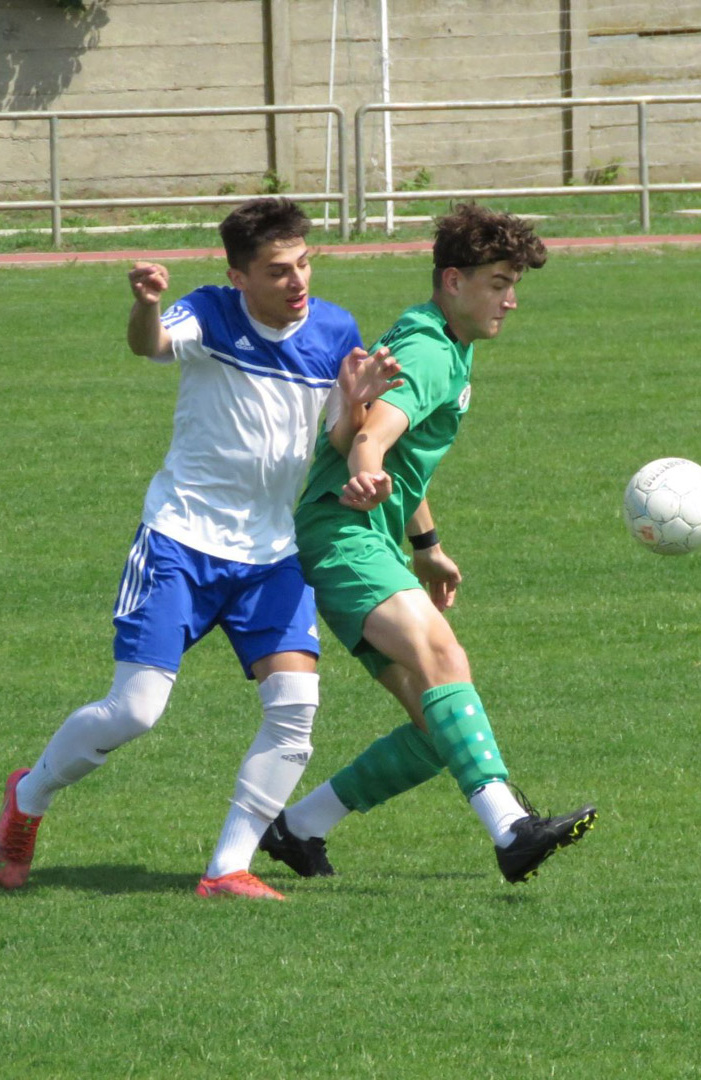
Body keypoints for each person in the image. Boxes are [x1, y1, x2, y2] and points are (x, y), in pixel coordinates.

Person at [0, 197, 400, 900]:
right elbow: (150, 345)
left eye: (304, 263)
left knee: (295, 708)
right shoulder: (209, 313)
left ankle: (227, 868)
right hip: (180, 541)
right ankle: (29, 796)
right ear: (239, 277)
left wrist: (358, 403)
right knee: (136, 711)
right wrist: (146, 304)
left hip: (272, 554)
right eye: (278, 270)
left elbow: (339, 436)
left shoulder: (335, 329)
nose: (298, 281)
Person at [259, 203, 596, 886]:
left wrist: (427, 544)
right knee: (445, 658)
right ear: (453, 280)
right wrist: (364, 472)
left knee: (437, 726)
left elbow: (399, 454)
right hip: (345, 536)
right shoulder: (430, 351)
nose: (510, 300)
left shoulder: (442, 340)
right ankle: (510, 829)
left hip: (364, 537)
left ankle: (299, 827)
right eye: (498, 283)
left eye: (514, 285)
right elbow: (374, 435)